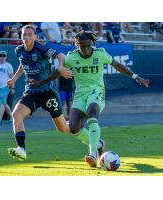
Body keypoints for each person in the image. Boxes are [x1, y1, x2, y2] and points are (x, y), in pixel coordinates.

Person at [32, 31, 150, 168]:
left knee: (92, 115)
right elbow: (59, 71)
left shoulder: (100, 54)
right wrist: (42, 82)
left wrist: (136, 77)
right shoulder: (71, 57)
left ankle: (92, 154)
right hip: (80, 94)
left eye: (88, 45)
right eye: (83, 46)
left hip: (97, 90)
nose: (86, 49)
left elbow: (117, 65)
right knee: (74, 128)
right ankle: (99, 144)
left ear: (92, 43)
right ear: (77, 45)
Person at [7, 25, 106, 162]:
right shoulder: (19, 50)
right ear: (21, 35)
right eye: (24, 34)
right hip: (31, 92)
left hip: (48, 92)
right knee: (16, 114)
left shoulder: (41, 48)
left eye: (30, 34)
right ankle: (21, 149)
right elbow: (22, 64)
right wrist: (14, 79)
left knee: (64, 128)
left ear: (35, 36)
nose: (27, 37)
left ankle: (97, 143)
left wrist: (60, 67)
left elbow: (60, 56)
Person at [0, 50, 14, 125]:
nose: (2, 57)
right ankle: (12, 117)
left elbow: (12, 77)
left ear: (6, 57)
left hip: (6, 87)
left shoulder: (8, 66)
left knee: (2, 102)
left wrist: (13, 88)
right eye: (0, 55)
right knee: (3, 103)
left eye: (4, 56)